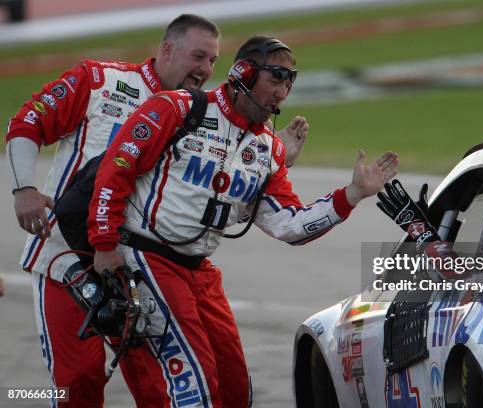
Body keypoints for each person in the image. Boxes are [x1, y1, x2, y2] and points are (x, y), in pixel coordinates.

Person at [5, 15, 306, 407]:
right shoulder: (101, 80)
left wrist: (274, 159)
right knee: (78, 380)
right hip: (65, 257)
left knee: (158, 387)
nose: (205, 69)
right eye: (198, 56)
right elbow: (27, 121)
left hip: (133, 268)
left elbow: (224, 180)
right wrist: (24, 188)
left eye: (213, 61)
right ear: (167, 49)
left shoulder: (200, 112)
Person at [87, 35, 399, 407]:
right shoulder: (176, 108)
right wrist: (104, 245)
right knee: (194, 387)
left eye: (289, 82)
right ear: (243, 74)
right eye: (276, 79)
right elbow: (115, 169)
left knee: (236, 391)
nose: (283, 92)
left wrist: (351, 195)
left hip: (199, 271)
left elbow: (289, 226)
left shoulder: (267, 148)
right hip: (147, 259)